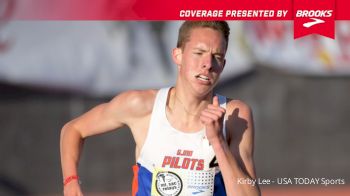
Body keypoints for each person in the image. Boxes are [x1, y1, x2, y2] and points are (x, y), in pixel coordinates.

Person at [60, 21, 261, 196]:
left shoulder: (234, 115)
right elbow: (73, 129)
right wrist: (70, 182)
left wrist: (218, 143)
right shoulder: (142, 106)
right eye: (199, 53)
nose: (208, 64)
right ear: (178, 56)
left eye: (216, 56)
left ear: (223, 65)